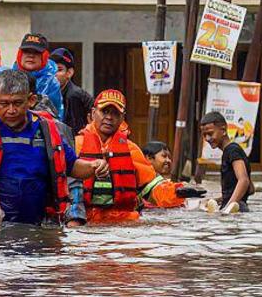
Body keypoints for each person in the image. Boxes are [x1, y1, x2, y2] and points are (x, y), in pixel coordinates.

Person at [0, 69, 108, 225]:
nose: (11, 110)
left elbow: (72, 166)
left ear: (31, 101)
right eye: (4, 104)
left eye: (17, 103)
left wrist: (94, 166)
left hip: (38, 225)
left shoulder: (46, 130)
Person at [75, 90, 199, 220]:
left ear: (123, 117)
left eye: (115, 113)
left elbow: (153, 188)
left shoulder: (131, 149)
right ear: (94, 113)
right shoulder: (76, 145)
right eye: (104, 111)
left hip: (124, 224)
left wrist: (178, 192)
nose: (109, 117)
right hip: (84, 221)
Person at [0, 33, 64, 120]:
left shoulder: (52, 83)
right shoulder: (4, 78)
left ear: (44, 57)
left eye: (36, 52)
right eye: (26, 51)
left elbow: (55, 117)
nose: (31, 56)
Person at [201, 111, 253, 212]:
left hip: (236, 210)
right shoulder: (231, 151)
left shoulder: (232, 150)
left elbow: (244, 180)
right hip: (239, 207)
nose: (207, 138)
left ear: (224, 130)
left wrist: (227, 209)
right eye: (204, 135)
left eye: (210, 134)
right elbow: (250, 189)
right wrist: (217, 200)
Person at [138, 140, 202, 208]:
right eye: (164, 156)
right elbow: (163, 194)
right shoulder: (149, 182)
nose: (168, 160)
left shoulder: (148, 179)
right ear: (149, 158)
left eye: (169, 157)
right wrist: (179, 191)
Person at [51, 48, 91, 135]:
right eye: (51, 69)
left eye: (59, 70)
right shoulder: (46, 92)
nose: (54, 74)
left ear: (69, 73)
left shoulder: (75, 95)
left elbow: (74, 132)